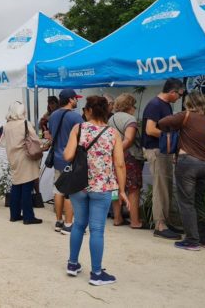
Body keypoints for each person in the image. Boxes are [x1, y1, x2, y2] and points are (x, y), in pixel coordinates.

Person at [63, 96, 129, 286]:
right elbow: (120, 164)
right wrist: (122, 190)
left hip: (79, 184)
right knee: (97, 229)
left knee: (78, 225)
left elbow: (67, 156)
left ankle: (73, 264)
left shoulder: (79, 128)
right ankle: (97, 273)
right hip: (102, 187)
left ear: (88, 110)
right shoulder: (113, 133)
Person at [158, 91, 205, 251]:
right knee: (201, 203)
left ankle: (192, 240)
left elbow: (162, 123)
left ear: (188, 103)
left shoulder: (186, 116)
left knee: (186, 202)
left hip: (189, 163)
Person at [143, 77, 184, 240]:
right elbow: (150, 129)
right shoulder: (155, 105)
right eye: (179, 94)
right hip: (156, 150)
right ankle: (160, 224)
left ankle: (165, 221)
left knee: (165, 186)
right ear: (172, 92)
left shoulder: (164, 105)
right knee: (161, 187)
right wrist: (169, 137)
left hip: (162, 150)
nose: (180, 97)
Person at [48, 89, 85, 235]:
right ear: (70, 100)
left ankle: (59, 221)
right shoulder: (76, 118)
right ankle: (69, 225)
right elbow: (84, 137)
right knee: (70, 193)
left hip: (57, 158)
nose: (77, 101)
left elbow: (51, 134)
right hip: (71, 159)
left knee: (58, 190)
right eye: (75, 98)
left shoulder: (53, 116)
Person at [2, 101, 43, 225]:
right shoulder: (25, 123)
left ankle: (14, 214)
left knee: (16, 186)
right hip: (25, 157)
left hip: (13, 157)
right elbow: (35, 139)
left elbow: (2, 142)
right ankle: (28, 216)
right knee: (27, 186)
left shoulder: (6, 125)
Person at [108, 94, 145, 228]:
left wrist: (112, 153)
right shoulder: (130, 119)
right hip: (129, 157)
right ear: (129, 106)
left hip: (113, 157)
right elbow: (129, 139)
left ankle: (117, 218)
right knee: (133, 189)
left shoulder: (111, 118)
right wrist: (118, 151)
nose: (134, 108)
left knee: (115, 188)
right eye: (133, 105)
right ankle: (135, 221)